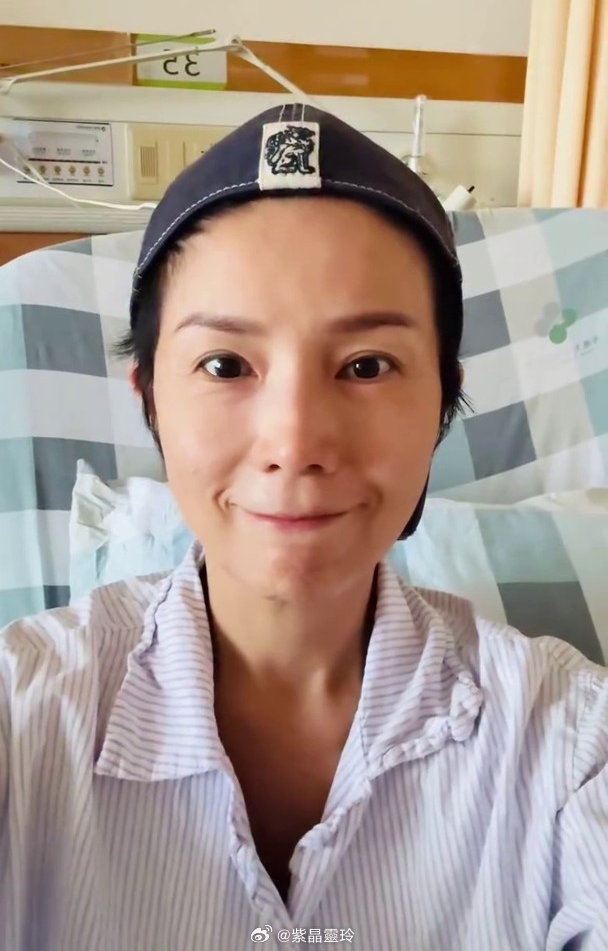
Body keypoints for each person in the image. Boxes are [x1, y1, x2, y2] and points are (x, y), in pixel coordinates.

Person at [0, 104, 606, 951]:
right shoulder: (26, 716)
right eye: (225, 365)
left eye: (367, 365)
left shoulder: (569, 742)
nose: (295, 441)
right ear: (150, 401)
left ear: (442, 402)